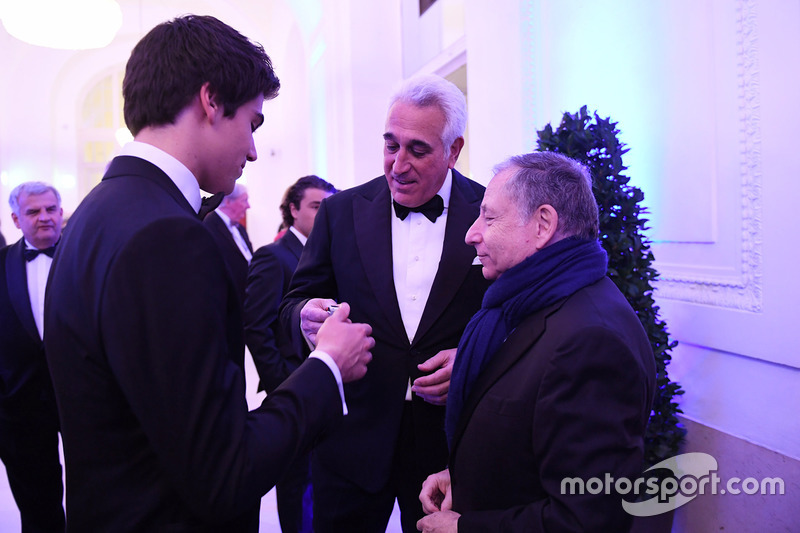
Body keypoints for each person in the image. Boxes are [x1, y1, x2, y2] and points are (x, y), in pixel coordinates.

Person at [43, 15, 373, 532]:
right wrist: (328, 365)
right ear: (211, 101)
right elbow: (225, 473)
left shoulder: (97, 211)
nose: (253, 150)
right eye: (253, 123)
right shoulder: (167, 236)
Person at [280, 74, 491, 533]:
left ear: (454, 151)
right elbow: (293, 301)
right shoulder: (341, 212)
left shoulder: (490, 211)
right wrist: (305, 316)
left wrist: (474, 360)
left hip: (451, 447)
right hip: (351, 438)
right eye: (390, 145)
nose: (398, 164)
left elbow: (515, 315)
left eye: (418, 149)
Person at [417, 151, 656, 533]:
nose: (471, 233)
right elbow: (522, 439)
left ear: (543, 224)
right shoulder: (526, 303)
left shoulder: (592, 342)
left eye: (489, 217)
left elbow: (587, 519)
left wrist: (465, 528)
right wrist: (461, 476)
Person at [244, 174, 337, 533]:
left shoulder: (329, 251)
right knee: (298, 486)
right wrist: (285, 384)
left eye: (327, 206)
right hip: (293, 386)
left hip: (327, 386)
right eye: (316, 206)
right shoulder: (274, 255)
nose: (323, 213)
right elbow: (257, 327)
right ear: (294, 209)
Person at [0, 181, 66, 532]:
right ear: (15, 219)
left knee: (100, 491)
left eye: (50, 209)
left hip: (82, 397)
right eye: (33, 211)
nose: (44, 218)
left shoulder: (85, 255)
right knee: (37, 504)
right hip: (20, 405)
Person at [204, 182, 253, 297]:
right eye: (244, 200)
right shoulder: (209, 226)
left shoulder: (240, 228)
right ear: (228, 202)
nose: (248, 206)